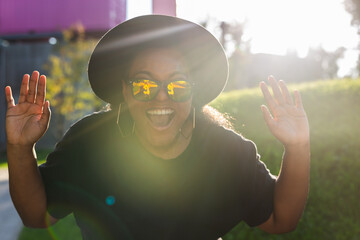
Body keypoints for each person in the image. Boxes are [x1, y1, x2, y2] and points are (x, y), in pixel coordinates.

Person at [5, 15, 310, 240]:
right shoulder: (89, 143)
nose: (161, 96)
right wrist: (20, 148)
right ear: (125, 91)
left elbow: (281, 219)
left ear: (193, 91)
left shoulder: (228, 153)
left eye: (177, 84)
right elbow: (36, 215)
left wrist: (297, 148)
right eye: (144, 84)